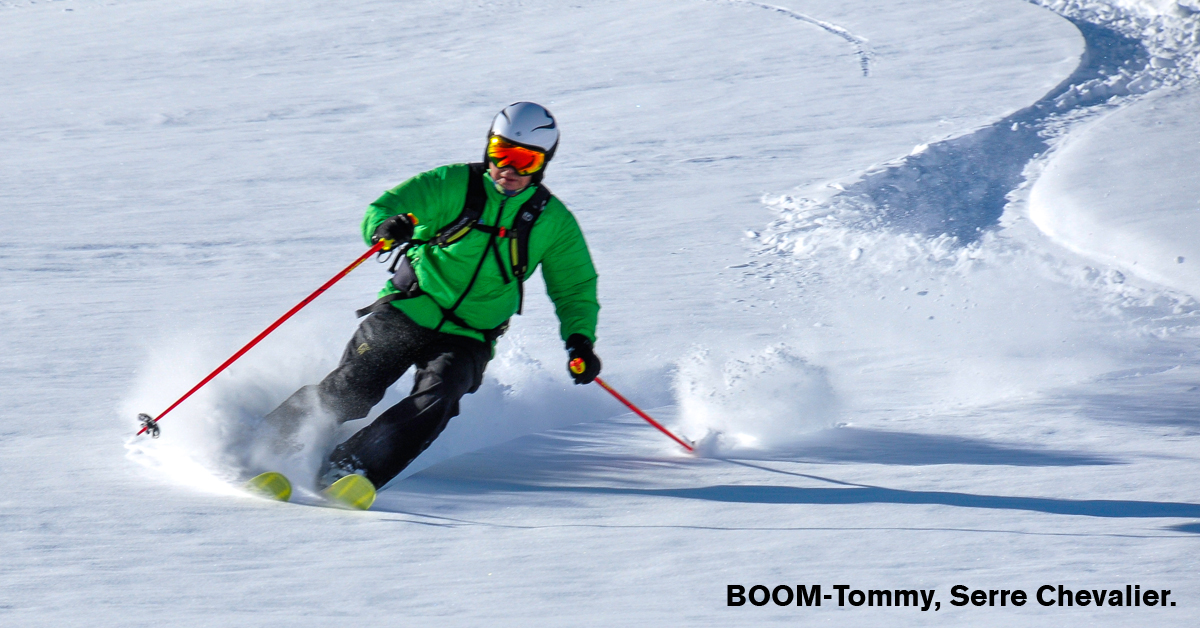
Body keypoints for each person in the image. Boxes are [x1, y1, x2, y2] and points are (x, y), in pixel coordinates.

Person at [262, 102, 601, 490]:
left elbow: (574, 286)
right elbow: (386, 208)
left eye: (523, 160)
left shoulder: (552, 221)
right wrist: (387, 227)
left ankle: (352, 468)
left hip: (470, 334)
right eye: (500, 153)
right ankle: (268, 445)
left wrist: (580, 341)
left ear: (542, 163)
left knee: (438, 397)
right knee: (354, 389)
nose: (508, 169)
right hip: (409, 308)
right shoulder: (453, 184)